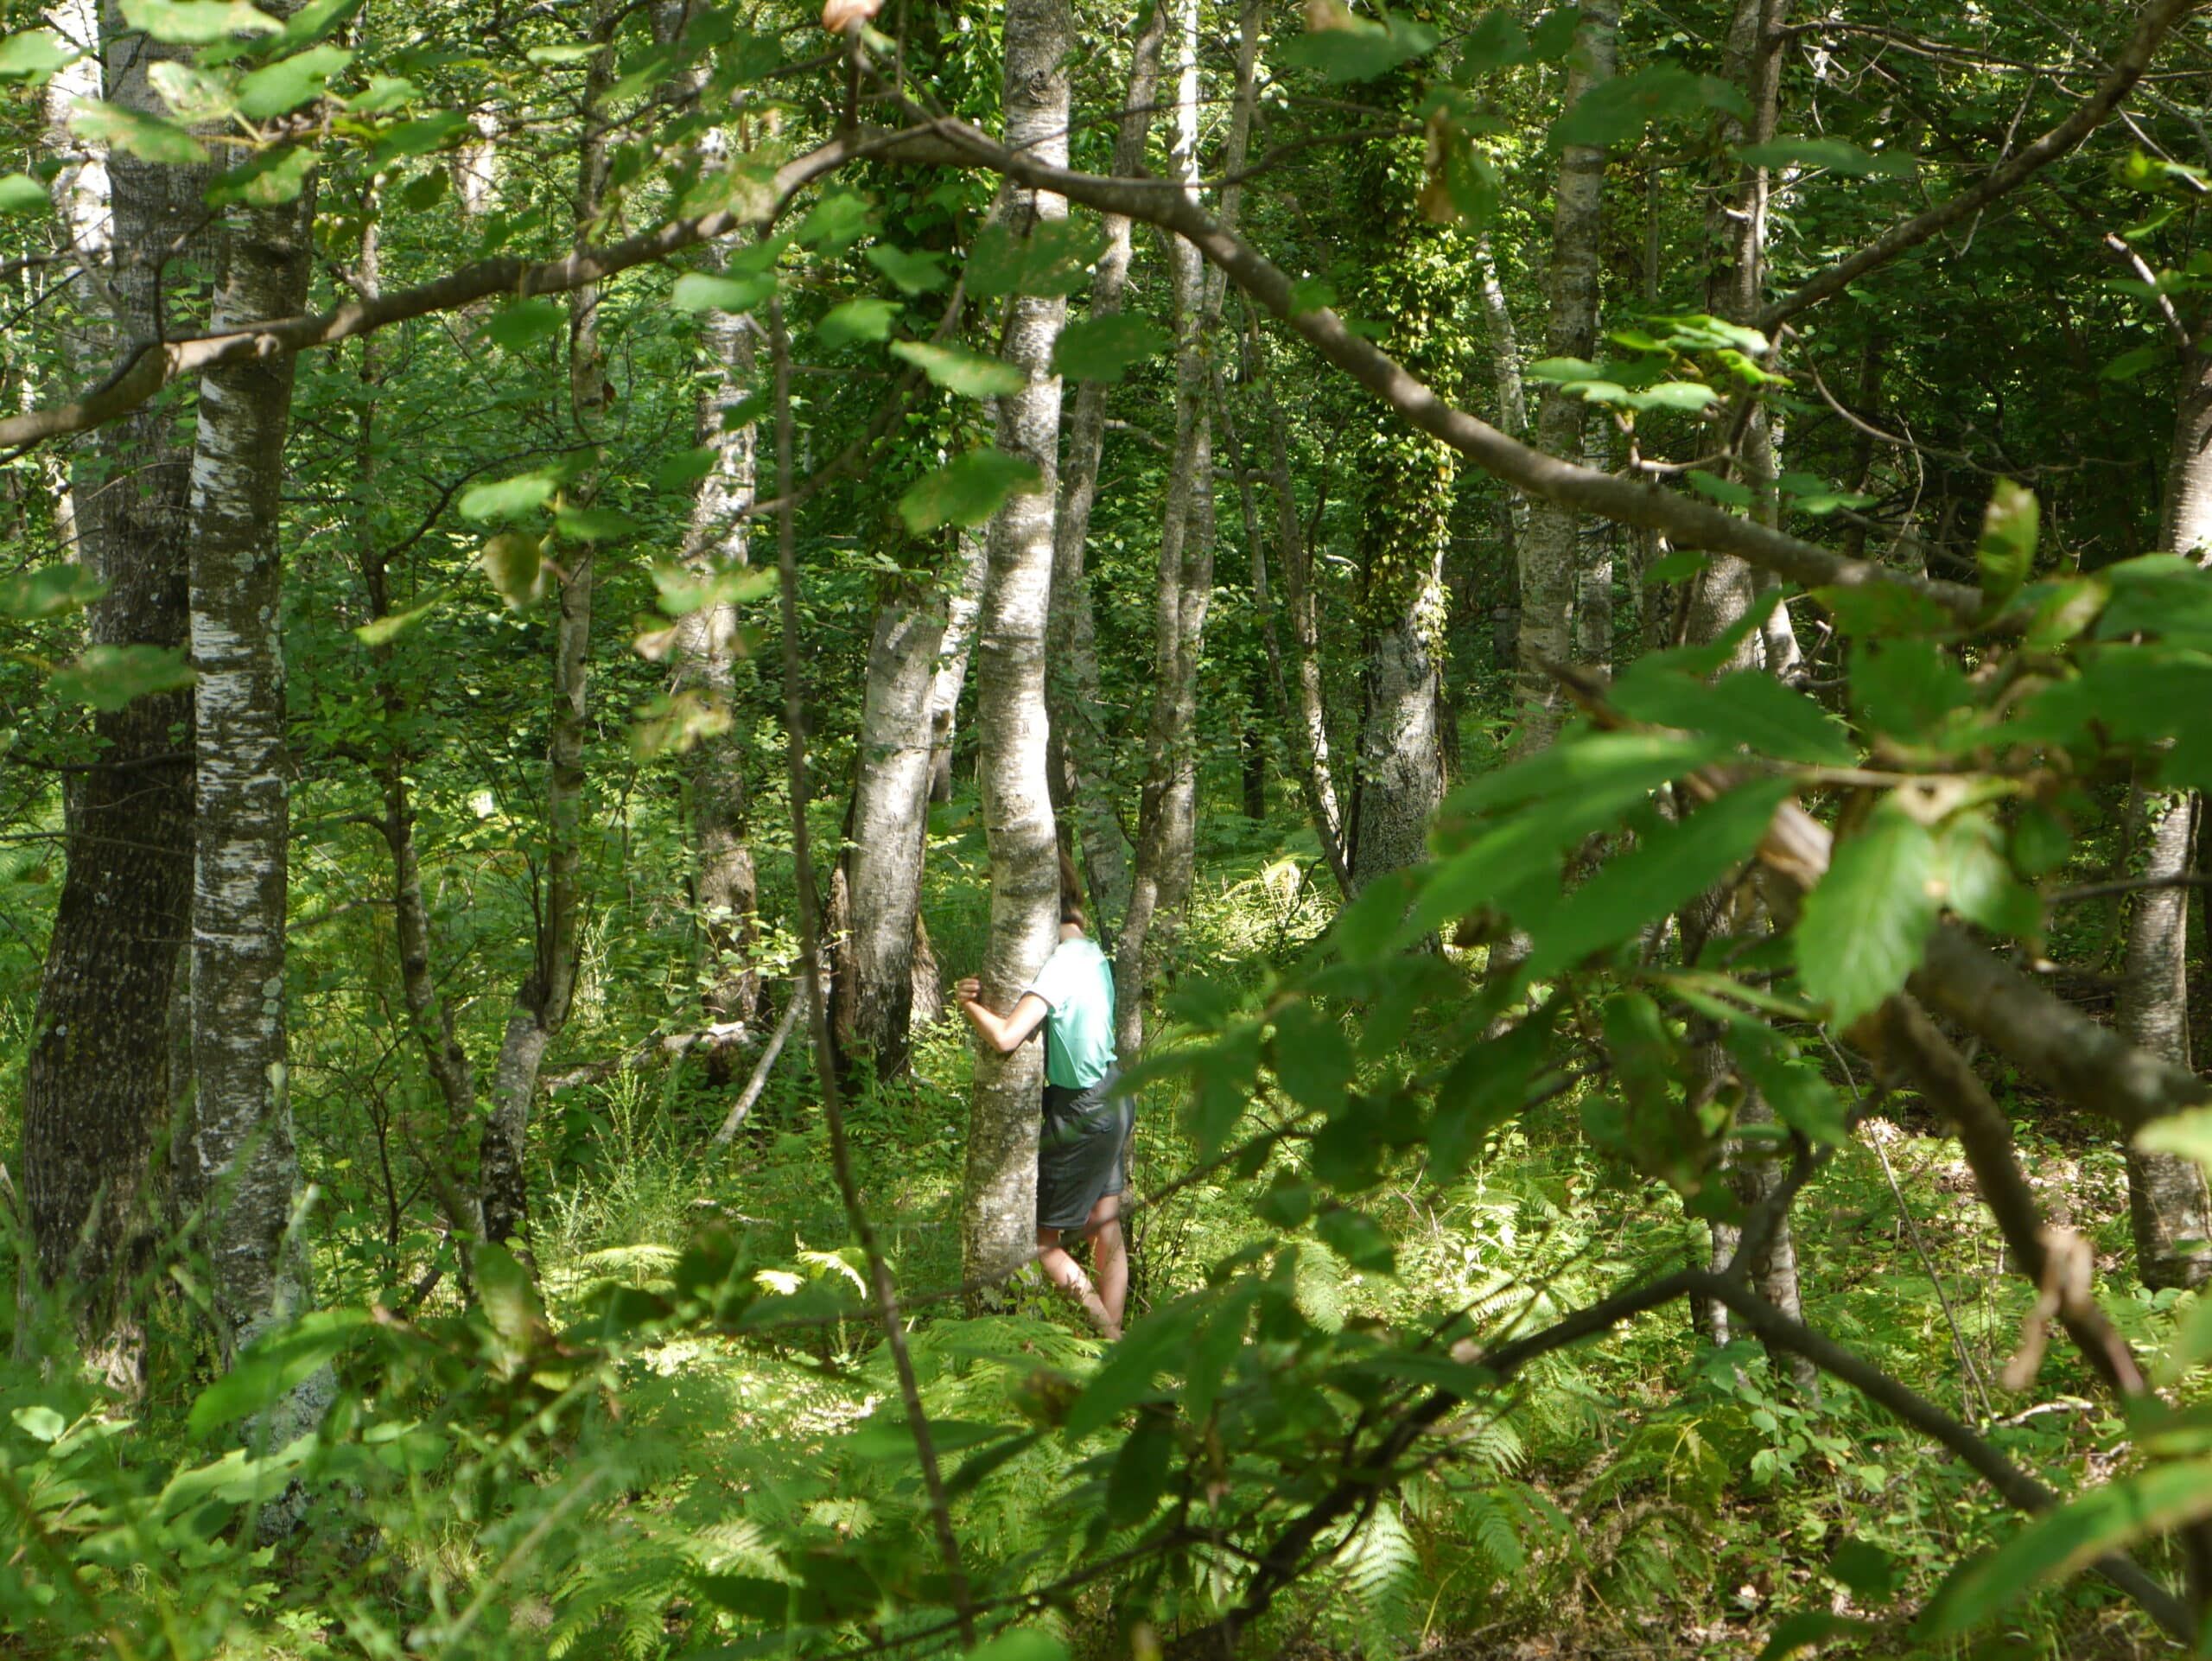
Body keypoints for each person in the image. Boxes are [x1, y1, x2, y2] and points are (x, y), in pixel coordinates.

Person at [954, 859, 1132, 1340]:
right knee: (1105, 1226)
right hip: (1116, 1094)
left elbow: (1008, 1037)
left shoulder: (1060, 964)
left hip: (1082, 1109)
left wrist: (968, 1004)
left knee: (1041, 1243)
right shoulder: (1092, 952)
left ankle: (1111, 1339)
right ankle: (1113, 1343)